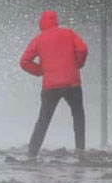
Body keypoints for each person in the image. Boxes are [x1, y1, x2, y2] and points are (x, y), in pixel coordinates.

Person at [19, 10, 89, 160]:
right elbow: (82, 49)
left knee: (44, 119)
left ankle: (32, 153)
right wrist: (77, 64)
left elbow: (24, 62)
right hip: (72, 83)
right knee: (78, 115)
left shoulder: (39, 39)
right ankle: (80, 150)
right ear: (56, 21)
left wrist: (40, 71)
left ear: (41, 23)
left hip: (50, 86)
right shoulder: (69, 33)